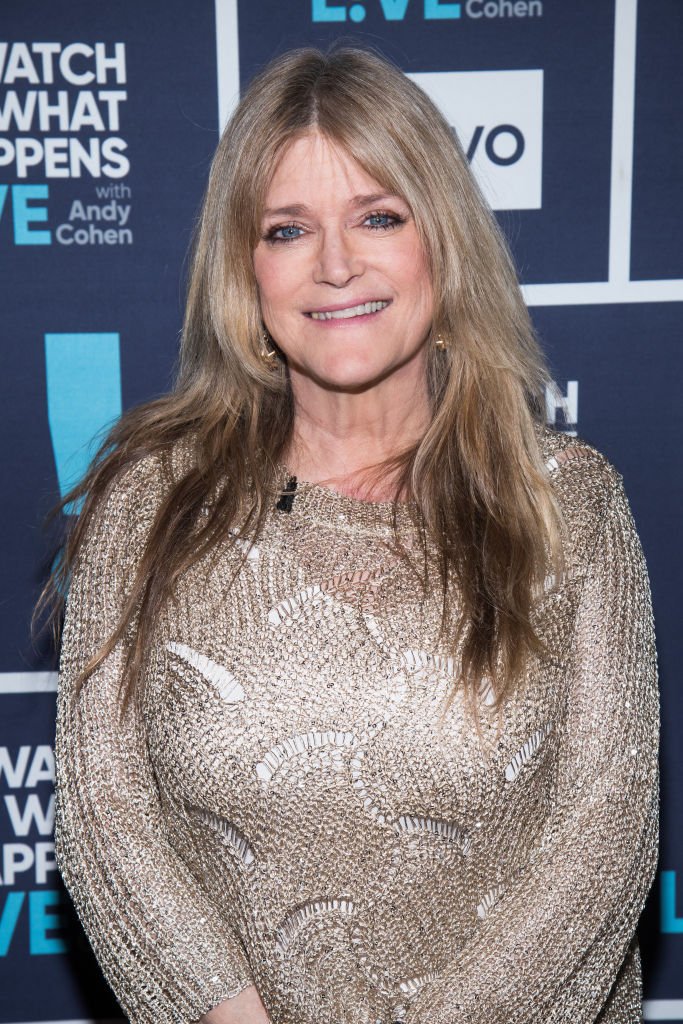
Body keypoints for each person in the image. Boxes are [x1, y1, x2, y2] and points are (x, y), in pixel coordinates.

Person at [49, 45, 659, 1024]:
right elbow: (101, 811)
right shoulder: (152, 500)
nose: (336, 264)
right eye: (288, 229)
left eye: (377, 216)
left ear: (443, 242)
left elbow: (606, 831)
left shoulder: (567, 504)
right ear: (244, 270)